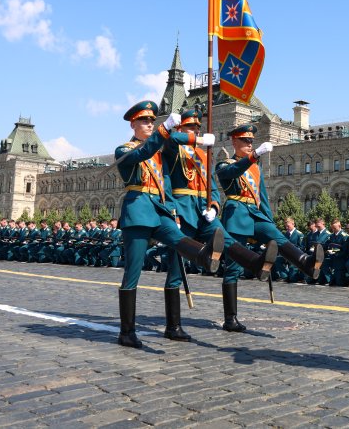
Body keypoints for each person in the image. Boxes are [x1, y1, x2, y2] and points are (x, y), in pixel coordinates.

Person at [114, 101, 223, 348]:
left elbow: (167, 183)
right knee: (133, 272)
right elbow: (142, 153)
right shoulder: (123, 150)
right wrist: (165, 130)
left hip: (160, 209)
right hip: (138, 210)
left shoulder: (159, 154)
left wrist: (173, 211)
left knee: (178, 238)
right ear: (132, 125)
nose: (149, 125)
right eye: (144, 121)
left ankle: (204, 255)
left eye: (152, 121)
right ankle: (126, 332)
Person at [165, 109, 278, 334]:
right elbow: (170, 139)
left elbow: (213, 188)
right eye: (190, 127)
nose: (196, 131)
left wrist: (215, 207)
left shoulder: (204, 155)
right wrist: (171, 211)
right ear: (180, 129)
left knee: (224, 239)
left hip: (203, 211)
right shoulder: (174, 149)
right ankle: (173, 325)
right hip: (183, 211)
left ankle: (255, 263)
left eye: (198, 128)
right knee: (176, 269)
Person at [215, 124, 324, 293]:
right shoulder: (224, 164)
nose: (250, 144)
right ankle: (230, 311)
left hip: (255, 213)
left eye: (251, 141)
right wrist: (254, 156)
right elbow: (232, 172)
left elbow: (263, 197)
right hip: (236, 214)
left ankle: (306, 262)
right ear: (234, 142)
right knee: (233, 266)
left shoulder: (256, 168)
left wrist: (269, 220)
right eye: (245, 141)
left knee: (276, 236)